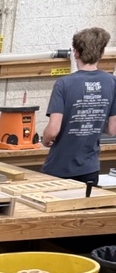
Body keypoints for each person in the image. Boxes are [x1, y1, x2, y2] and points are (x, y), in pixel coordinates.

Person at [41, 27, 116, 185]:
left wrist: (45, 138)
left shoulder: (64, 84)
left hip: (59, 168)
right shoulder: (112, 82)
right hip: (89, 169)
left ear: (75, 52)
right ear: (101, 54)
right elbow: (112, 130)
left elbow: (53, 130)